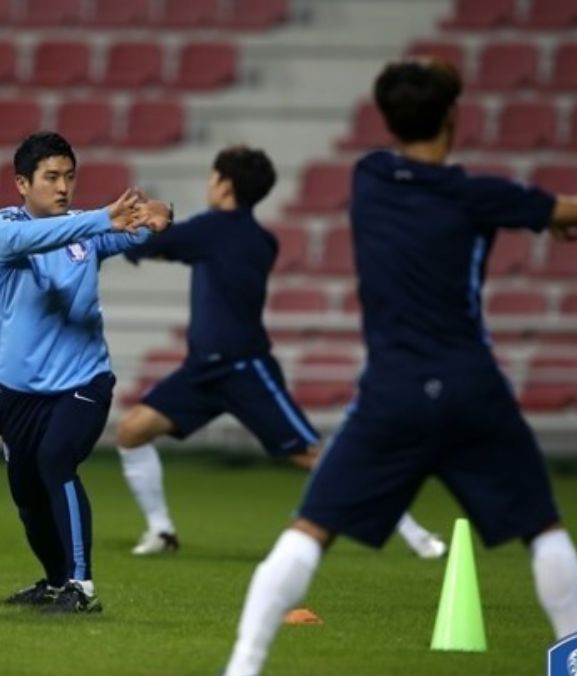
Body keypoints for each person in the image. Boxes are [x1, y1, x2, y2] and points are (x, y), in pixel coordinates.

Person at [188, 58, 577, 676]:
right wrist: (571, 216)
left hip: (393, 391)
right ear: (453, 116)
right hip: (473, 386)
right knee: (544, 530)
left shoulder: (369, 177)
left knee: (310, 530)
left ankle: (240, 672)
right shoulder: (485, 197)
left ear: (389, 120)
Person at [115, 146, 445, 560]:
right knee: (132, 430)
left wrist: (158, 216)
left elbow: (139, 249)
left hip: (245, 370)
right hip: (203, 371)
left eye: (213, 177)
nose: (209, 184)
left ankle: (414, 533)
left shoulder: (213, 230)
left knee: (313, 455)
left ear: (225, 184)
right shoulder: (260, 239)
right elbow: (174, 246)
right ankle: (161, 532)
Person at [0, 131, 170, 613]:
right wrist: (100, 220)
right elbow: (50, 234)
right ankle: (52, 580)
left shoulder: (86, 233)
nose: (63, 186)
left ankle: (80, 587)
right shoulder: (3, 229)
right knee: (27, 495)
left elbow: (141, 226)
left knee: (55, 462)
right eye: (51, 177)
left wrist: (160, 214)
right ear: (22, 183)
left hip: (83, 384)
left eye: (69, 176)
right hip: (19, 394)